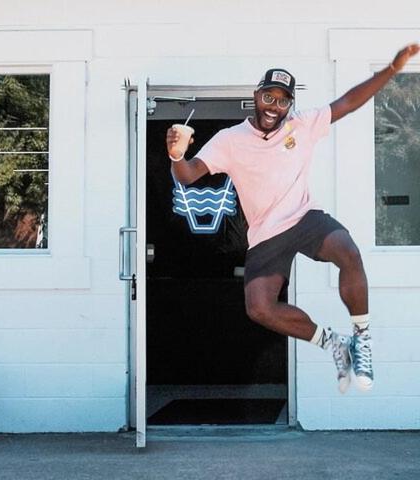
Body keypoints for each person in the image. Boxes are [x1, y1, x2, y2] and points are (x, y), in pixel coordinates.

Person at [165, 44, 420, 394]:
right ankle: (333, 342)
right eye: (268, 97)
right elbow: (187, 175)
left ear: (290, 105)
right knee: (259, 308)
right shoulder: (230, 140)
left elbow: (348, 102)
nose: (274, 107)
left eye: (283, 101)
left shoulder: (302, 125)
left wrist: (390, 70)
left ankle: (361, 339)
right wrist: (176, 154)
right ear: (256, 96)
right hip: (266, 234)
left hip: (303, 217)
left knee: (348, 251)